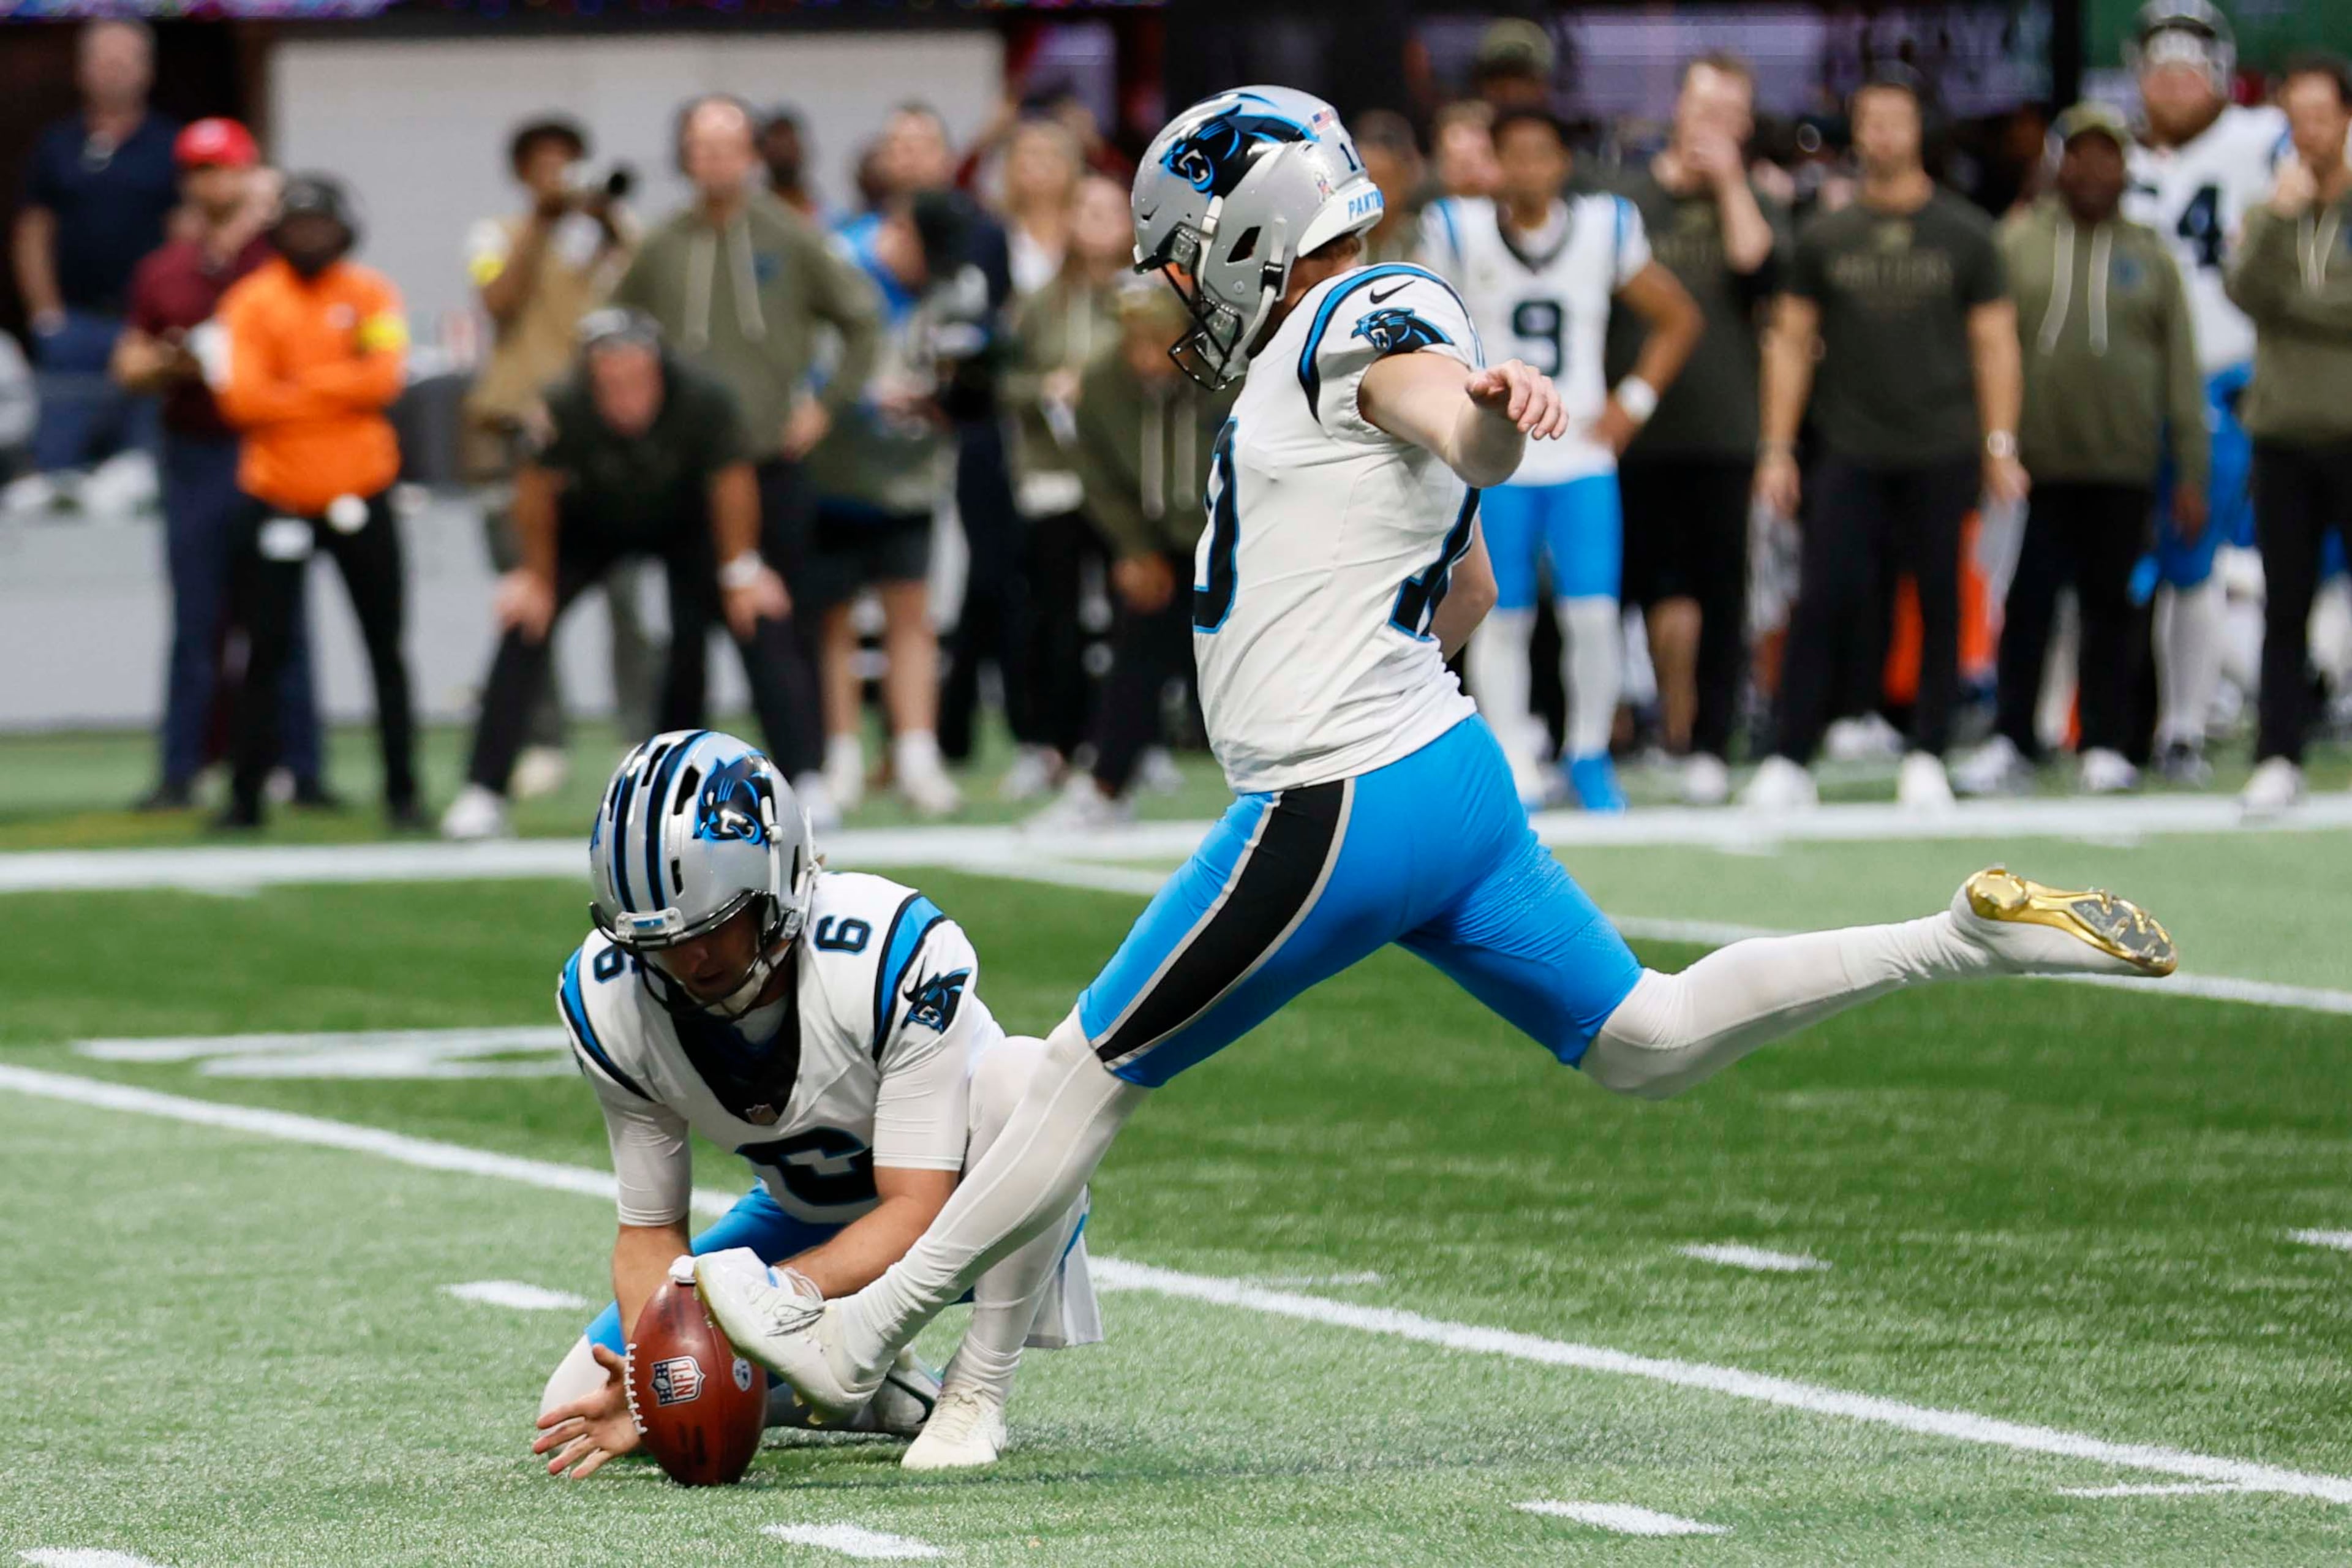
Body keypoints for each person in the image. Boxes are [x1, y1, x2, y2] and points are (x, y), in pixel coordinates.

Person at [690, 88, 2179, 1443]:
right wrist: (1452, 466)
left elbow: (1434, 408)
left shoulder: (1349, 312)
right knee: (1645, 1035)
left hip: (1336, 790)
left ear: (1251, 230)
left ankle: (862, 1329)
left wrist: (1480, 422)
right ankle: (1955, 933)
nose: (1178, 286)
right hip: (1440, 774)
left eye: (1186, 255)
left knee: (1084, 1068)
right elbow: (1464, 585)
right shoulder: (1335, 340)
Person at [529, 733, 1099, 1477]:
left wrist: (776, 1300)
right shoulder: (609, 998)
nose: (689, 959)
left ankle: (976, 1390)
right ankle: (869, 1393)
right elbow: (649, 1232)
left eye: (712, 926)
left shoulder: (883, 951)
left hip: (974, 1216)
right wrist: (657, 1375)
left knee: (1024, 1078)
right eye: (660, 940)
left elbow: (916, 1207)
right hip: (805, 1212)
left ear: (779, 882)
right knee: (581, 1398)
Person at [1744, 71, 2027, 812]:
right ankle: (1789, 754)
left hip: (1943, 443)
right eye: (1870, 121)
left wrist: (2000, 445)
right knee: (1821, 596)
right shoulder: (1825, 235)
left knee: (1940, 599)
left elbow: (1996, 344)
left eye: (1896, 121)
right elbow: (1789, 344)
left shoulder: (1967, 232)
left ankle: (1929, 751)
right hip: (1849, 444)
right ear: (1857, 131)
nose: (1883, 135)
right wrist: (1777, 448)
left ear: (1918, 131)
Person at [1419, 107, 1701, 812]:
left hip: (1580, 454)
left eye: (1540, 154)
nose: (1528, 170)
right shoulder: (1457, 228)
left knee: (1594, 615)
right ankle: (1513, 753)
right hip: (1500, 457)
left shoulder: (1605, 227)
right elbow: (1420, 327)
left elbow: (1678, 317)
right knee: (1502, 615)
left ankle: (1589, 754)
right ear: (1494, 162)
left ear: (1562, 163)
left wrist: (1631, 402)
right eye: (1513, 154)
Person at [439, 312, 814, 842]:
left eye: (635, 380)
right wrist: (536, 575)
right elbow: (535, 487)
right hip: (592, 523)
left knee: (758, 614)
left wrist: (740, 568)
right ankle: (484, 790)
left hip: (685, 525)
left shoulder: (704, 399)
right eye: (610, 383)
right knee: (524, 621)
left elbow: (731, 482)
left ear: (657, 369)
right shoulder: (560, 405)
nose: (625, 396)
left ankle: (805, 780)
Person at [613, 96, 879, 825]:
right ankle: (666, 788)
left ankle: (804, 774)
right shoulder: (661, 244)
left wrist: (825, 405)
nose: (715, 160)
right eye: (702, 146)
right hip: (686, 475)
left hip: (771, 462)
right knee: (685, 636)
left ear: (752, 155)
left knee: (780, 626)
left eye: (729, 145)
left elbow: (861, 320)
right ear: (684, 157)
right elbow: (618, 332)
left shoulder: (789, 234)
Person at [1956, 105, 2205, 799]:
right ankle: (2013, 737)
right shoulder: (2018, 243)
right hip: (2032, 466)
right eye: (2081, 155)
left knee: (2112, 611)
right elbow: (1985, 348)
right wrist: (1988, 444)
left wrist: (2190, 466)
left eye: (2108, 156)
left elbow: (2182, 369)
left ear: (2126, 167)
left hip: (2123, 463)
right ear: (2058, 164)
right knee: (2026, 605)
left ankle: (2104, 742)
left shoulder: (2152, 255)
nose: (2094, 169)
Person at [115, 119, 328, 815]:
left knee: (282, 615)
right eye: (200, 170)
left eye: (224, 168)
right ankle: (182, 770)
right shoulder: (166, 269)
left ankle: (302, 768)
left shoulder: (281, 260)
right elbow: (129, 363)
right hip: (197, 453)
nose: (212, 183)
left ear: (248, 173)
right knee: (196, 619)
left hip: (270, 448)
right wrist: (171, 361)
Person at [209, 175, 418, 832]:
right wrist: (338, 386)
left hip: (363, 490)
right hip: (278, 495)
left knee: (385, 648)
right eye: (297, 226)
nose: (309, 238)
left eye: (320, 225)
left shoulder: (371, 293)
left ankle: (403, 793)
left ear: (344, 230)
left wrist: (295, 386)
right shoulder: (251, 301)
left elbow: (384, 379)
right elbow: (241, 399)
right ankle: (245, 799)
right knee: (264, 650)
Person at [1610, 54, 1789, 807]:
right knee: (1621, 589)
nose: (1711, 125)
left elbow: (1759, 270)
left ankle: (1713, 742)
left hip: (1722, 430)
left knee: (1722, 593)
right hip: (1630, 429)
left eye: (1728, 114)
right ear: (1678, 109)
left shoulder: (1755, 202)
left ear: (1744, 125)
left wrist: (1730, 182)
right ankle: (1617, 732)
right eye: (1702, 107)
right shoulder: (1626, 199)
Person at [2124, 1, 2285, 785]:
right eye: (2161, 70)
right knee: (2101, 555)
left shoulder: (2263, 139)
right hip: (2122, 385)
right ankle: (2070, 723)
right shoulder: (2103, 151)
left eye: (2190, 71)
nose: (2174, 85)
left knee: (2198, 554)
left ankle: (2184, 724)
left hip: (2223, 376)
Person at [464, 115, 647, 798]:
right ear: (522, 174)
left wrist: (607, 220)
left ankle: (639, 733)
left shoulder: (606, 238)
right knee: (530, 593)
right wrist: (542, 223)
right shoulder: (497, 235)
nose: (558, 177)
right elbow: (499, 300)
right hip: (519, 427)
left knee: (629, 596)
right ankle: (542, 737)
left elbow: (647, 285)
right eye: (543, 165)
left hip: (602, 433)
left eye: (567, 164)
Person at [1024, 284, 1235, 831]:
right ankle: (1106, 788)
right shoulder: (1101, 385)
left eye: (1158, 341)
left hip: (1238, 541)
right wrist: (1135, 548)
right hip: (1160, 541)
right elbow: (1097, 476)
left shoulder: (1232, 377)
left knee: (1256, 665)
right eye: (1135, 342)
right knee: (1136, 655)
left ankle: (1298, 786)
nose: (1146, 356)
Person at [804, 199, 961, 820]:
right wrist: (865, 397)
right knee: (834, 620)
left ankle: (917, 756)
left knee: (911, 614)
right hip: (835, 475)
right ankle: (839, 756)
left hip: (909, 477)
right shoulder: (837, 263)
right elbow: (806, 359)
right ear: (899, 229)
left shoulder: (946, 284)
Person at [2227, 56, 2352, 816]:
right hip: (2281, 432)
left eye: (2321, 116)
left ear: (2346, 118)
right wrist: (2277, 217)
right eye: (2296, 117)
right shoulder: (2271, 208)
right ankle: (2278, 754)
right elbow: (2244, 290)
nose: (2309, 133)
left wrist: (2298, 305)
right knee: (2285, 604)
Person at [9, 19, 178, 507]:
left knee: (140, 469)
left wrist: (164, 315)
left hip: (143, 327)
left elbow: (183, 235)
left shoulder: (168, 142)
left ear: (147, 70)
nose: (114, 70)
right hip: (74, 322)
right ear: (82, 70)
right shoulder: (57, 144)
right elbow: (33, 231)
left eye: (125, 60)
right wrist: (46, 314)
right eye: (103, 60)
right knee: (57, 465)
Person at [1001, 173, 1131, 800]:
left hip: (1127, 481)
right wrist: (1046, 388)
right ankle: (1053, 742)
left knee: (1132, 614)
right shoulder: (1040, 302)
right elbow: (1006, 381)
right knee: (1055, 617)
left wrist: (1101, 390)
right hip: (1054, 477)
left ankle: (1130, 743)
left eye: (1109, 210)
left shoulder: (1149, 296)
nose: (1095, 221)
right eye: (1084, 209)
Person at [998, 118, 1084, 299]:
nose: (1043, 163)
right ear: (1011, 166)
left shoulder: (1088, 226)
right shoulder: (995, 228)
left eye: (1053, 154)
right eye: (1032, 154)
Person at [1351, 111, 1425, 266]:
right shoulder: (1341, 248)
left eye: (1382, 181)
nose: (1373, 193)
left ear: (1406, 179)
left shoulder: (1425, 238)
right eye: (1366, 182)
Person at [761, 108, 816, 219]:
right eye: (777, 148)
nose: (783, 151)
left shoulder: (824, 215)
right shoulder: (750, 213)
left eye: (789, 145)